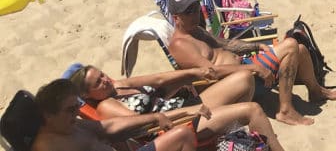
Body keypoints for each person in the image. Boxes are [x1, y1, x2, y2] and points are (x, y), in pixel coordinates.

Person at [166, 0, 336, 127]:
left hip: (245, 67)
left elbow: (226, 44)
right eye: (188, 11)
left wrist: (256, 46)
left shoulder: (196, 30)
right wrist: (253, 68)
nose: (194, 13)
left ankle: (316, 91)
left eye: (196, 7)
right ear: (176, 17)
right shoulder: (180, 44)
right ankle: (285, 110)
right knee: (290, 46)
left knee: (301, 49)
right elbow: (211, 72)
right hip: (236, 83)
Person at [68, 65, 285, 151]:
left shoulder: (118, 85)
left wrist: (188, 76)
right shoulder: (107, 106)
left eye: (102, 75)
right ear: (86, 95)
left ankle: (230, 136)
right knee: (252, 109)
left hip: (187, 107)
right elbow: (147, 123)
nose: (105, 81)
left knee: (244, 79)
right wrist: (186, 112)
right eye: (97, 83)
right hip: (179, 123)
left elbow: (160, 79)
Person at [31, 78, 196, 151]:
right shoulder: (48, 146)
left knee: (183, 135)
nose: (76, 113)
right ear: (48, 115)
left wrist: (155, 117)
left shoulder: (70, 126)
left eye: (77, 107)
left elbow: (108, 126)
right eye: (70, 110)